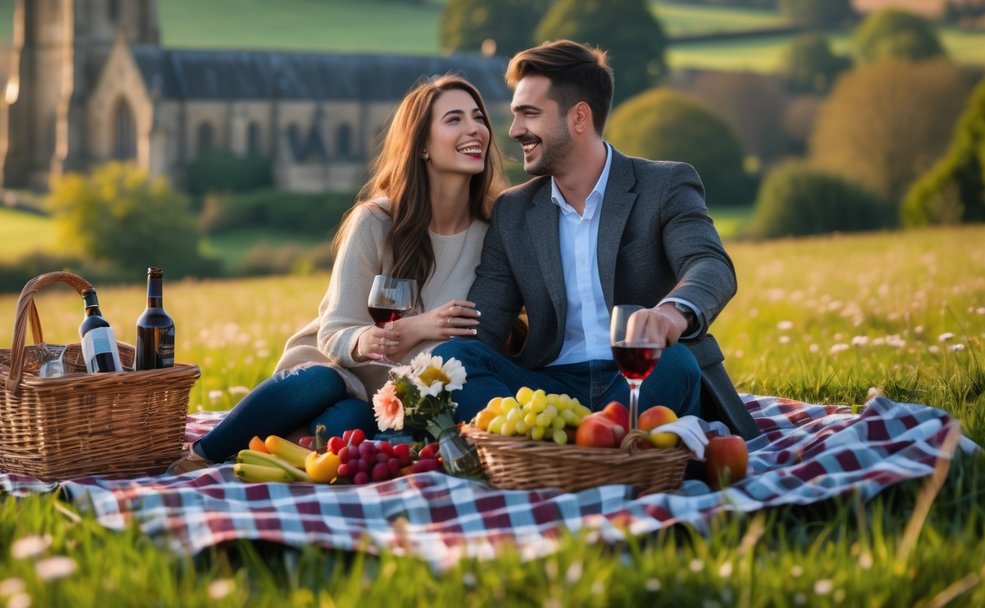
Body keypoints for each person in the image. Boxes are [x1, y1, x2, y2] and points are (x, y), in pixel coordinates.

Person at [175, 75, 507, 469]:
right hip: (335, 369)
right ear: (421, 146)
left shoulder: (494, 233)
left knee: (350, 425)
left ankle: (278, 450)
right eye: (454, 119)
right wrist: (415, 328)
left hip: (390, 404)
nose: (475, 128)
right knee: (323, 383)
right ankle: (201, 455)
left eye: (478, 117)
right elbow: (334, 332)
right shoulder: (375, 221)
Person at [434, 40, 759, 439]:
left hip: (640, 374)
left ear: (580, 118)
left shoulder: (665, 183)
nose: (515, 130)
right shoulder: (513, 211)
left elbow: (710, 264)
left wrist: (670, 314)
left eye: (529, 114)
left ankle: (569, 447)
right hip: (547, 388)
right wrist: (423, 356)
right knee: (454, 358)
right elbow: (483, 326)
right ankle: (567, 445)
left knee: (674, 362)